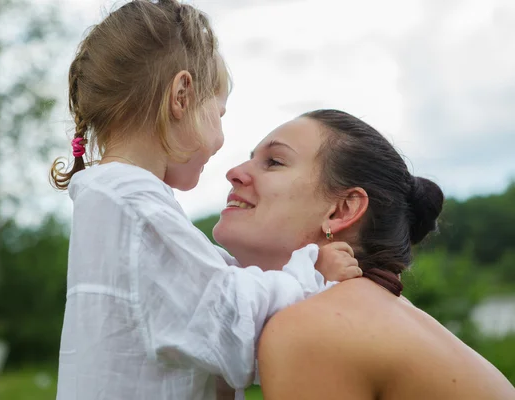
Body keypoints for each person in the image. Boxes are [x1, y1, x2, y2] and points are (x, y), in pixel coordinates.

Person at [49, 2, 361, 399]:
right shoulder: (133, 206)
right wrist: (312, 273)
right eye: (220, 113)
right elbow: (230, 318)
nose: (221, 140)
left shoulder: (117, 202)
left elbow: (205, 287)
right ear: (181, 96)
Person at [212, 109, 515, 399]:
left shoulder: (317, 326)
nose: (234, 172)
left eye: (274, 161)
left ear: (342, 209)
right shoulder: (375, 311)